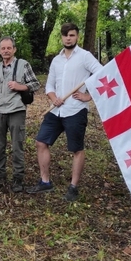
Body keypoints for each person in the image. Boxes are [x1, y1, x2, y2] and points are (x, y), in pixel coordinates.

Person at [27, 23, 102, 202]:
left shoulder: (85, 57)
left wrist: (88, 96)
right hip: (56, 110)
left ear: (77, 37)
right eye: (66, 35)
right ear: (61, 37)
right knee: (40, 142)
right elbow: (50, 84)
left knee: (76, 148)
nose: (68, 38)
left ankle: (73, 186)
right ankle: (45, 182)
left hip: (76, 110)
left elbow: (101, 74)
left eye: (72, 35)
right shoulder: (56, 60)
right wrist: (53, 98)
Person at [0, 36, 41, 193]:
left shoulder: (23, 65)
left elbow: (36, 84)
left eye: (8, 48)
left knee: (17, 145)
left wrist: (20, 86)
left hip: (16, 110)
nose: (6, 51)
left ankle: (18, 178)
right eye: (3, 48)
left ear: (14, 49)